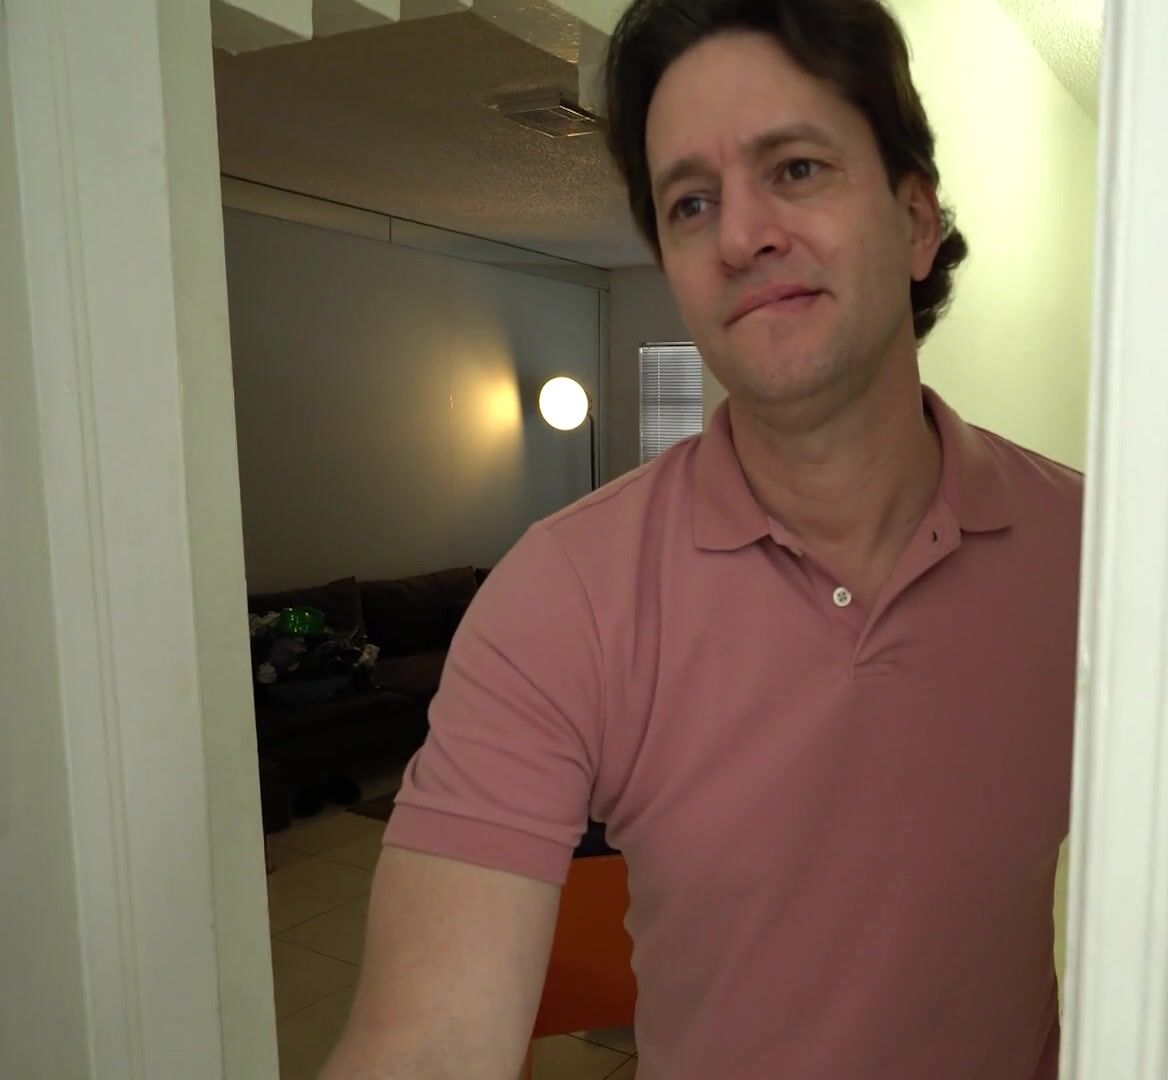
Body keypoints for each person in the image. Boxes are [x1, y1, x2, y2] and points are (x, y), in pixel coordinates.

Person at [318, 0, 1081, 1076]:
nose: (738, 236)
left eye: (797, 169)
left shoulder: (1096, 558)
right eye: (691, 202)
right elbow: (428, 1042)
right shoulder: (563, 595)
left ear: (916, 220)